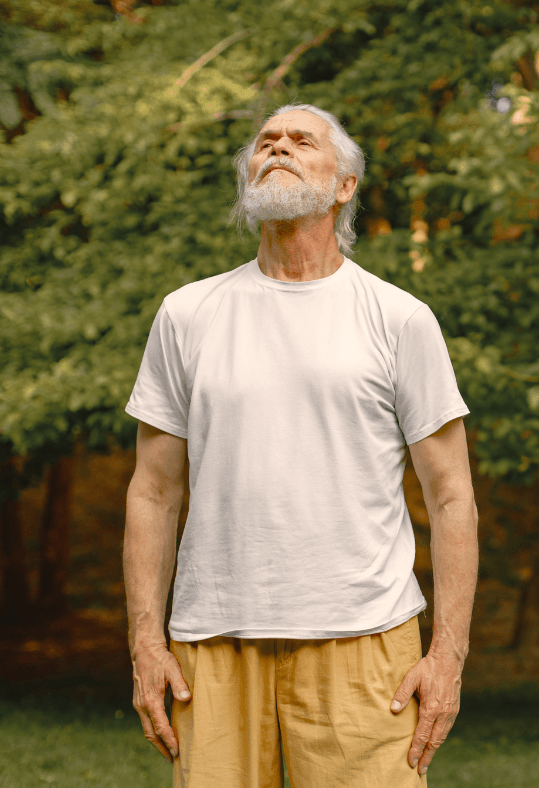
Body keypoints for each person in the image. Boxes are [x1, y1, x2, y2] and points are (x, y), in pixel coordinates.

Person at [122, 102, 479, 788]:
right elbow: (153, 490)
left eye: (301, 141)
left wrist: (448, 657)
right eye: (265, 142)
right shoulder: (187, 313)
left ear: (344, 185)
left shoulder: (399, 318)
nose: (277, 147)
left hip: (367, 639)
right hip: (212, 641)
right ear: (247, 178)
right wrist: (144, 641)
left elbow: (454, 494)